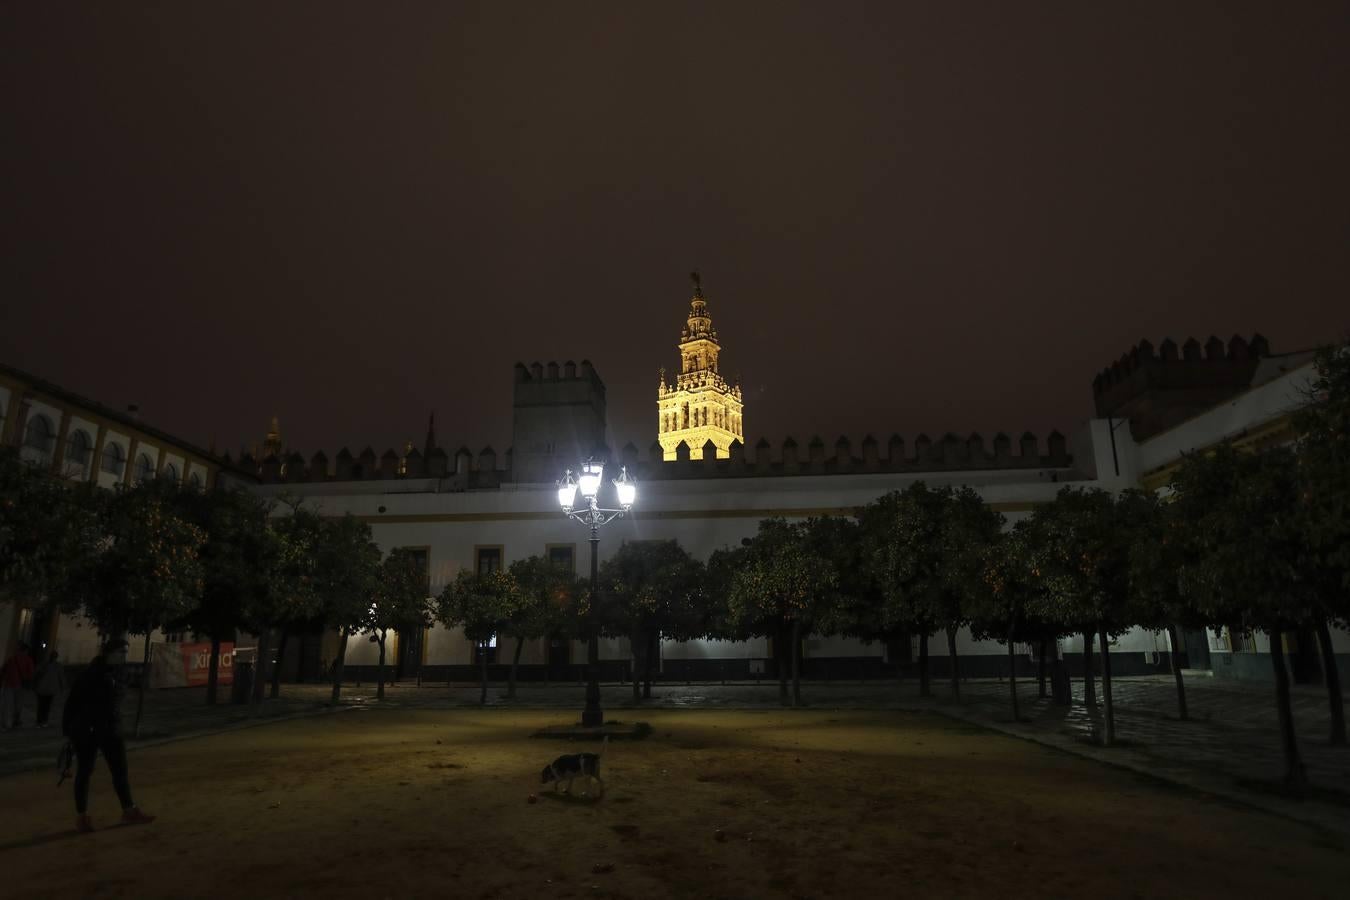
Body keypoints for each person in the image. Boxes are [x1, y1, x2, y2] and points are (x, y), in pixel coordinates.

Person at [62, 639, 155, 833]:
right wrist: (69, 732)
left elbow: (115, 701)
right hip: (88, 730)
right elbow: (72, 704)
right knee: (85, 771)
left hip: (110, 729)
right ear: (109, 653)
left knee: (120, 771)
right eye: (121, 652)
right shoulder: (90, 674)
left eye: (125, 652)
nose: (124, 656)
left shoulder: (119, 674)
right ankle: (82, 816)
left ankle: (129, 810)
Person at [1, 641, 36, 730]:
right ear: (26, 651)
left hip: (9, 684)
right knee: (18, 704)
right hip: (21, 685)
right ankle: (15, 720)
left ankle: (7, 723)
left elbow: (3, 670)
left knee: (8, 704)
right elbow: (31, 674)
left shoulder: (11, 659)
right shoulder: (28, 660)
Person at [35, 650, 66, 728]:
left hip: (41, 688)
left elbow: (36, 674)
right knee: (46, 706)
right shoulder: (58, 666)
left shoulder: (43, 664)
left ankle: (39, 721)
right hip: (50, 690)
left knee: (41, 706)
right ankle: (44, 721)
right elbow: (61, 678)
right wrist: (63, 688)